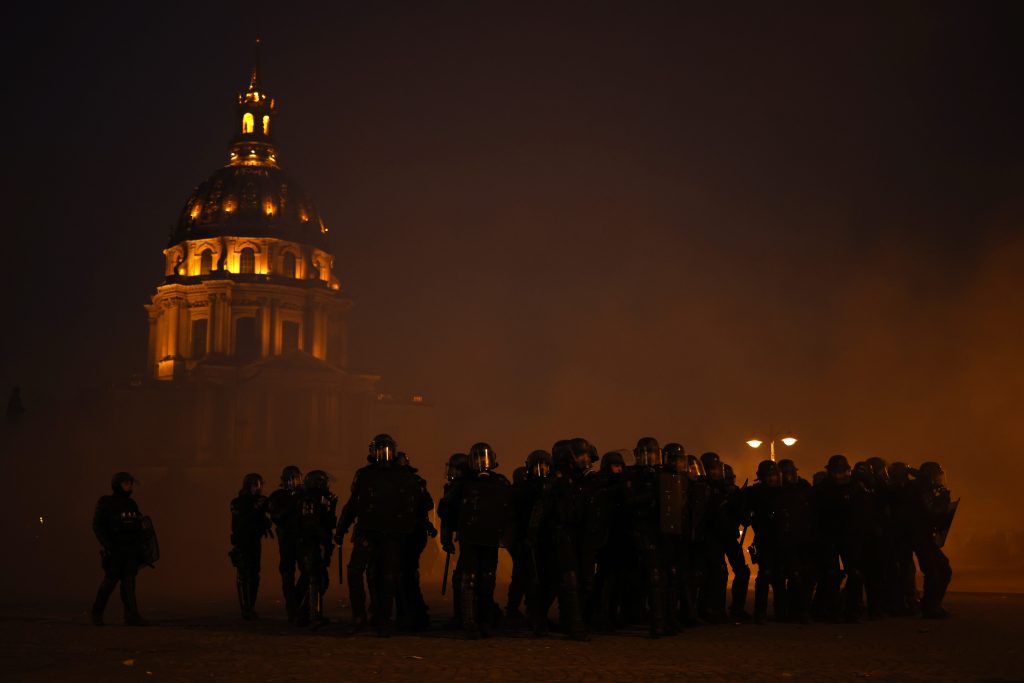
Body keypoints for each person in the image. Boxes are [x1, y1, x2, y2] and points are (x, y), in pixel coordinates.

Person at [336, 434, 430, 636]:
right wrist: (341, 528)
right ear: (372, 452)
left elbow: (417, 506)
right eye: (379, 450)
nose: (383, 454)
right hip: (367, 530)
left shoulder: (404, 476)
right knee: (355, 571)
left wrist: (411, 529)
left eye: (387, 450)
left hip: (392, 533)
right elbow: (354, 503)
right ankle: (359, 615)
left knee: (388, 577)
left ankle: (384, 619)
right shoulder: (364, 474)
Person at [444, 442, 513, 639]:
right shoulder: (463, 484)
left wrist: (506, 535)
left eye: (485, 458)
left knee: (487, 580)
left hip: (490, 538)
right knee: (469, 580)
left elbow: (509, 512)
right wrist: (446, 536)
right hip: (470, 538)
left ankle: (485, 620)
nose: (482, 462)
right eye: (478, 458)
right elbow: (449, 513)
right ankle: (469, 620)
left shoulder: (500, 483)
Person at [90, 472, 148, 626]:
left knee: (129, 583)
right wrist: (108, 545)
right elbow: (97, 525)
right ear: (118, 485)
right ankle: (96, 613)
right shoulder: (106, 503)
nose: (129, 486)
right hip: (115, 550)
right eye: (126, 483)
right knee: (109, 582)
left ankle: (132, 616)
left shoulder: (131, 504)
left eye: (130, 483)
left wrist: (140, 544)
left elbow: (138, 526)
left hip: (130, 550)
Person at [912, 461, 955, 619]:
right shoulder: (922, 491)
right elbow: (932, 513)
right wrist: (943, 500)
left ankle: (932, 605)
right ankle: (930, 608)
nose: (939, 478)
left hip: (924, 537)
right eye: (937, 475)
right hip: (921, 537)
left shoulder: (925, 489)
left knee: (941, 569)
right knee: (935, 571)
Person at [296, 469, 337, 627]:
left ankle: (308, 613)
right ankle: (310, 615)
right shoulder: (309, 500)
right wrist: (319, 541)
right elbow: (310, 523)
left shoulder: (321, 499)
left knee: (320, 579)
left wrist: (332, 506)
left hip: (318, 543)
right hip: (311, 544)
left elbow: (329, 522)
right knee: (314, 579)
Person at [746, 459, 785, 624]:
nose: (772, 479)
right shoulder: (755, 493)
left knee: (780, 576)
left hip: (782, 539)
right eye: (768, 476)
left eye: (774, 475)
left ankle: (782, 611)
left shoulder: (784, 492)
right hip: (764, 538)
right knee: (765, 575)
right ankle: (760, 612)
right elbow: (745, 514)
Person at [230, 473, 271, 619]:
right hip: (243, 541)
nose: (259, 488)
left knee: (254, 574)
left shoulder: (258, 501)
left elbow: (270, 514)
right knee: (243, 574)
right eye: (257, 484)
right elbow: (242, 521)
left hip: (254, 540)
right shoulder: (238, 502)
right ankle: (246, 608)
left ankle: (251, 607)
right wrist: (256, 508)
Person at [268, 465, 303, 621]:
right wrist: (291, 505)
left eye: (294, 478)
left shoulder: (304, 494)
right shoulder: (277, 496)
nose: (291, 482)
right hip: (287, 539)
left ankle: (297, 601)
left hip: (303, 539)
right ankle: (292, 606)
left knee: (308, 571)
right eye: (288, 479)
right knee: (287, 572)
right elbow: (276, 516)